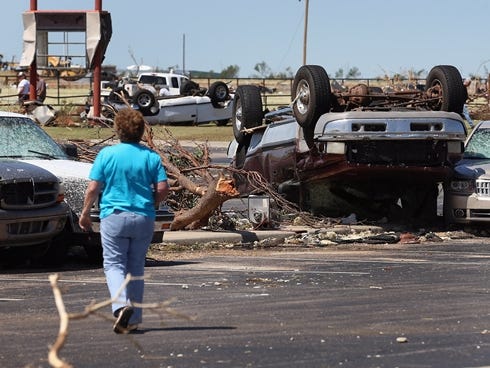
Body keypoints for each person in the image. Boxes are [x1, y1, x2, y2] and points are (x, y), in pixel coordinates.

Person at [79, 108, 169, 334]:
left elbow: (93, 188)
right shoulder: (151, 156)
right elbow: (163, 188)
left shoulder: (107, 155)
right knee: (136, 266)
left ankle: (121, 306)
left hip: (114, 215)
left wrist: (85, 212)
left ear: (118, 129)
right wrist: (154, 203)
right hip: (143, 217)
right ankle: (134, 318)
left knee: (113, 264)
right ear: (140, 130)